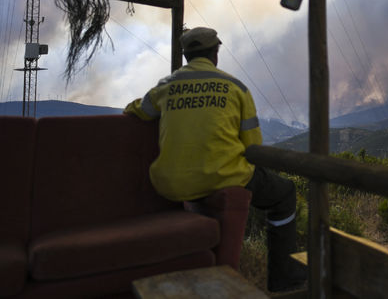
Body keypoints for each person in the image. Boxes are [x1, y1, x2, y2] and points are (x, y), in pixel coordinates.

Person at [125, 27, 305, 292]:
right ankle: (285, 280)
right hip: (223, 177)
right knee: (285, 193)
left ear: (186, 55)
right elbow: (253, 146)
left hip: (171, 185)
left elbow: (137, 110)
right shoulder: (236, 87)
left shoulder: (165, 86)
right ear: (215, 53)